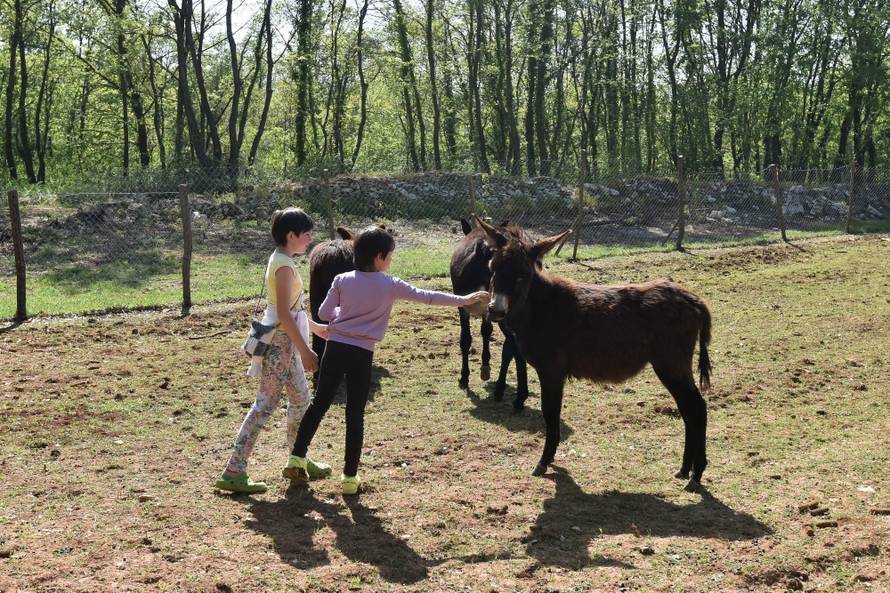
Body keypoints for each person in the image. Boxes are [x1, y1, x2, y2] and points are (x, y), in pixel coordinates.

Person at [281, 226, 489, 495]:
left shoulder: (342, 280)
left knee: (319, 404)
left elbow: (323, 312)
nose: (390, 260)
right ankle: (349, 477)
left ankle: (296, 458)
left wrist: (345, 312)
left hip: (335, 348)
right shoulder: (390, 284)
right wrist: (464, 299)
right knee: (355, 415)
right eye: (389, 256)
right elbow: (427, 297)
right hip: (362, 354)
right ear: (379, 257)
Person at [216, 208, 331, 494]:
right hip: (282, 344)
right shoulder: (283, 265)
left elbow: (292, 307)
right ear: (291, 235)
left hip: (286, 341)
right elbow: (282, 311)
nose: (310, 239)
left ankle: (298, 459)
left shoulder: (283, 260)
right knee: (265, 405)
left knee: (301, 400)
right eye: (306, 234)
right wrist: (305, 350)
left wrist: (314, 328)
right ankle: (234, 470)